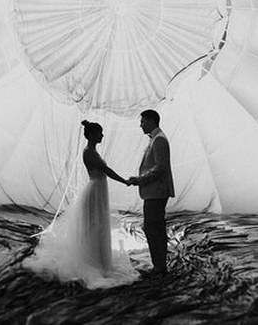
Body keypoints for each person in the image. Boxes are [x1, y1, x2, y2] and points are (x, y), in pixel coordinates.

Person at [24, 120, 138, 288]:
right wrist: (125, 181)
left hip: (98, 189)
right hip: (96, 190)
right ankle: (93, 260)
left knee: (99, 224)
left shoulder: (93, 151)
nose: (102, 135)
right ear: (92, 134)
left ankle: (98, 259)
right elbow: (107, 171)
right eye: (99, 132)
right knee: (95, 224)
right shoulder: (89, 152)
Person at [127, 109, 174, 279]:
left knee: (152, 229)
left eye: (143, 121)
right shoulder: (155, 138)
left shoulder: (159, 139)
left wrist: (139, 180)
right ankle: (160, 266)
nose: (140, 125)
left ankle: (159, 267)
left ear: (152, 121)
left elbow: (160, 168)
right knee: (155, 228)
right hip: (154, 192)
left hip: (156, 192)